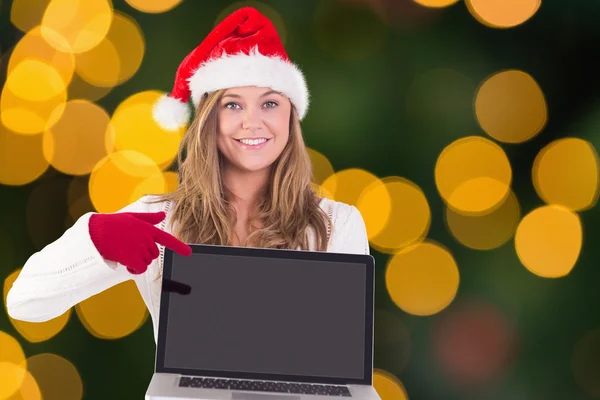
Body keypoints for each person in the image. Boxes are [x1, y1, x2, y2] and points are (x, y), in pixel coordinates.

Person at [5, 6, 369, 343]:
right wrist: (96, 240)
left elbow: (344, 359)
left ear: (291, 116)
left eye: (270, 103)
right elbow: (25, 302)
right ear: (209, 119)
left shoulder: (337, 226)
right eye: (232, 104)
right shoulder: (160, 220)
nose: (252, 121)